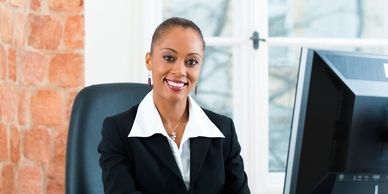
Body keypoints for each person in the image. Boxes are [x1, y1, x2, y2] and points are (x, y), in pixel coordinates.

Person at [98, 17, 250, 194]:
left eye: (191, 62)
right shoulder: (118, 131)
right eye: (169, 58)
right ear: (149, 60)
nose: (180, 71)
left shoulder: (223, 130)